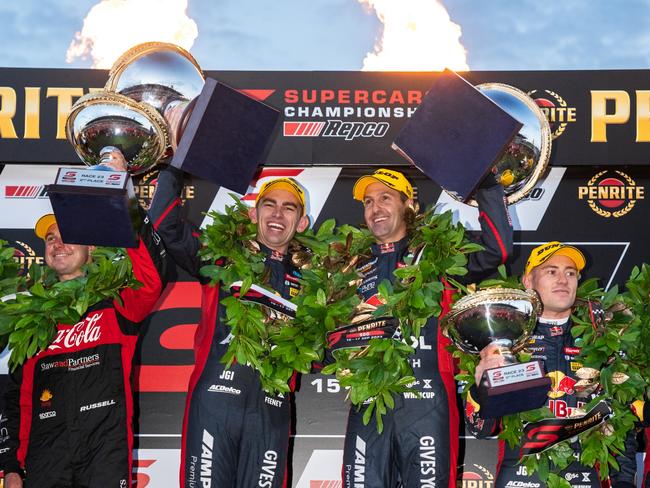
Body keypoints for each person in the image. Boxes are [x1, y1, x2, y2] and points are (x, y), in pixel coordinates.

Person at [0, 158, 167, 488]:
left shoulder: (117, 302)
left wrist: (124, 197)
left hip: (104, 450)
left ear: (91, 247)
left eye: (67, 235)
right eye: (50, 238)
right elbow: (16, 397)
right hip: (45, 455)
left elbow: (151, 278)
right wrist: (11, 466)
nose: (57, 243)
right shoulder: (29, 317)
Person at [341, 168, 512, 488]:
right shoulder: (351, 265)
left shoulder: (437, 253)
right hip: (369, 402)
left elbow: (496, 250)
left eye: (385, 198)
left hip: (427, 400)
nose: (375, 208)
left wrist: (488, 188)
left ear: (408, 206)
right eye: (368, 202)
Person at [148, 166, 310, 488]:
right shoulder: (223, 256)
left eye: (288, 207)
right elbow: (166, 227)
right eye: (269, 204)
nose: (278, 213)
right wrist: (175, 167)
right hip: (215, 404)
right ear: (253, 214)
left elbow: (319, 354)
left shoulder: (314, 281)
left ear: (301, 223)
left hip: (272, 410)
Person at [466, 241, 637, 488]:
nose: (563, 279)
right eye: (551, 271)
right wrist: (481, 388)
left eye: (570, 273)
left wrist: (623, 483)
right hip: (520, 475)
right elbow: (480, 429)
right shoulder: (506, 342)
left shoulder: (602, 343)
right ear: (528, 281)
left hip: (585, 474)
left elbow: (623, 426)